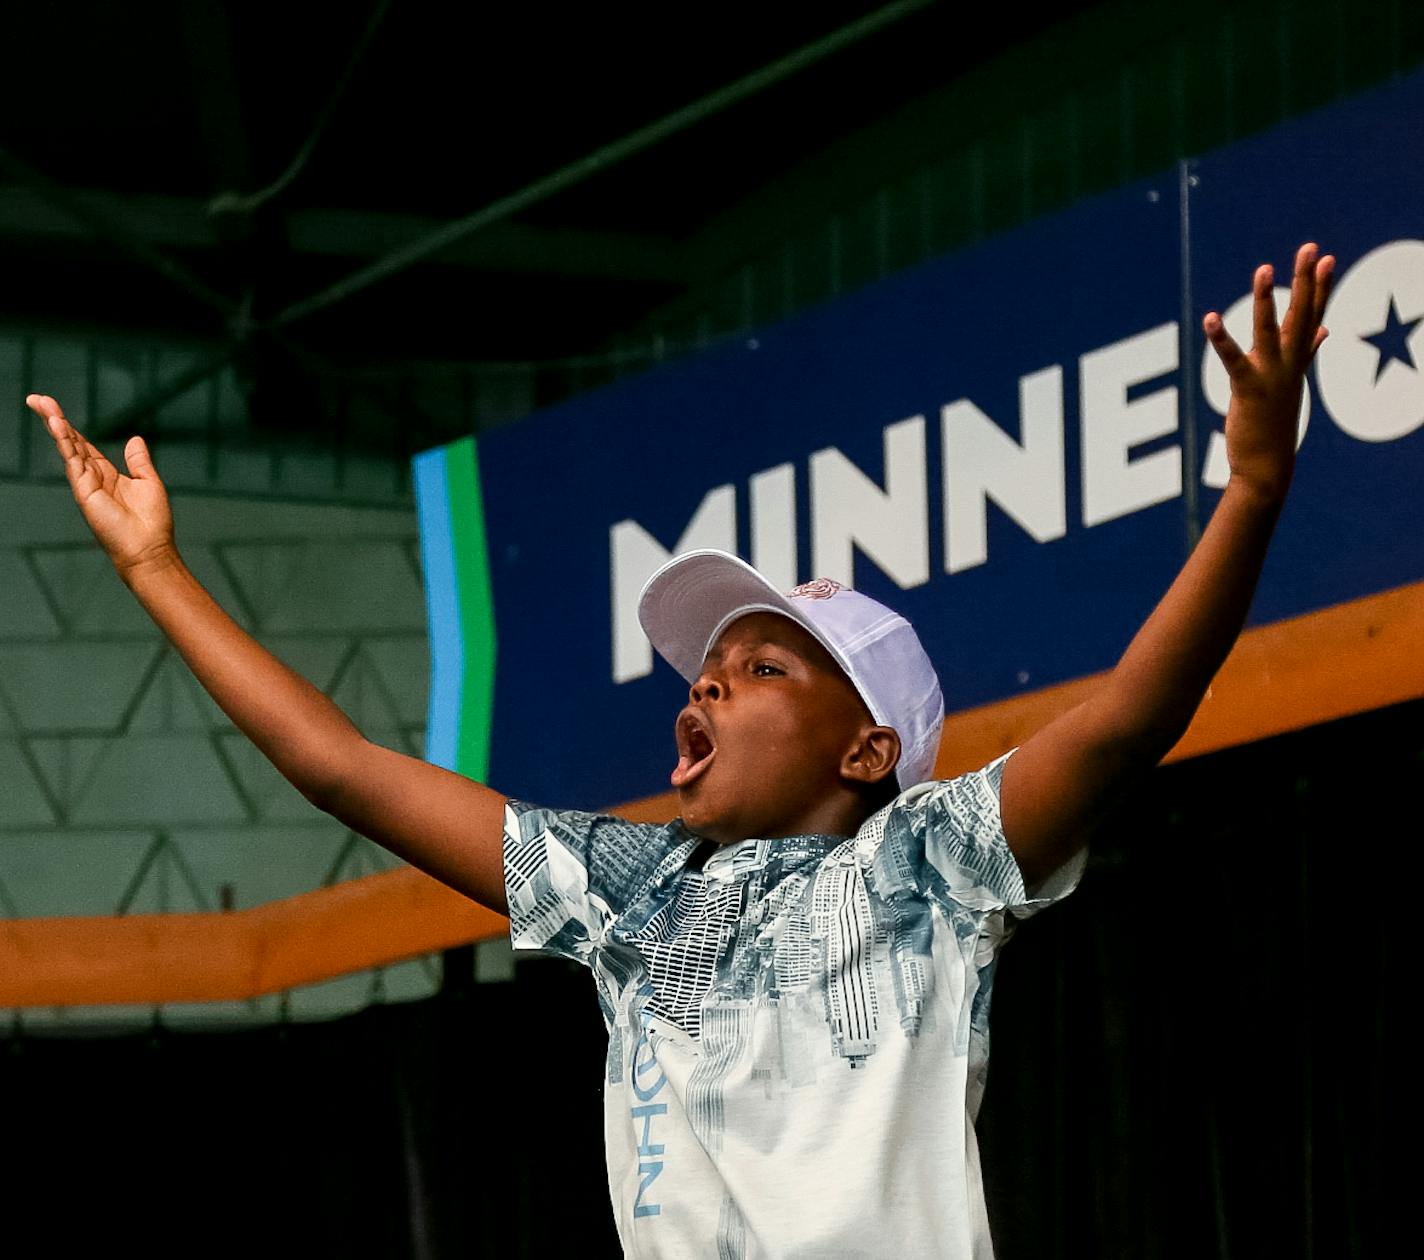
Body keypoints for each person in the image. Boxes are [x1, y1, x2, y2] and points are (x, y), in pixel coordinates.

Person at [26, 242, 1334, 1257]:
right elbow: (345, 769)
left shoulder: (935, 861)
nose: (706, 690)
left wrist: (1253, 493)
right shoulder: (632, 894)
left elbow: (1125, 718)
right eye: (703, 676)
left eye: (761, 669)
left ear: (868, 748)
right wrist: (156, 571)